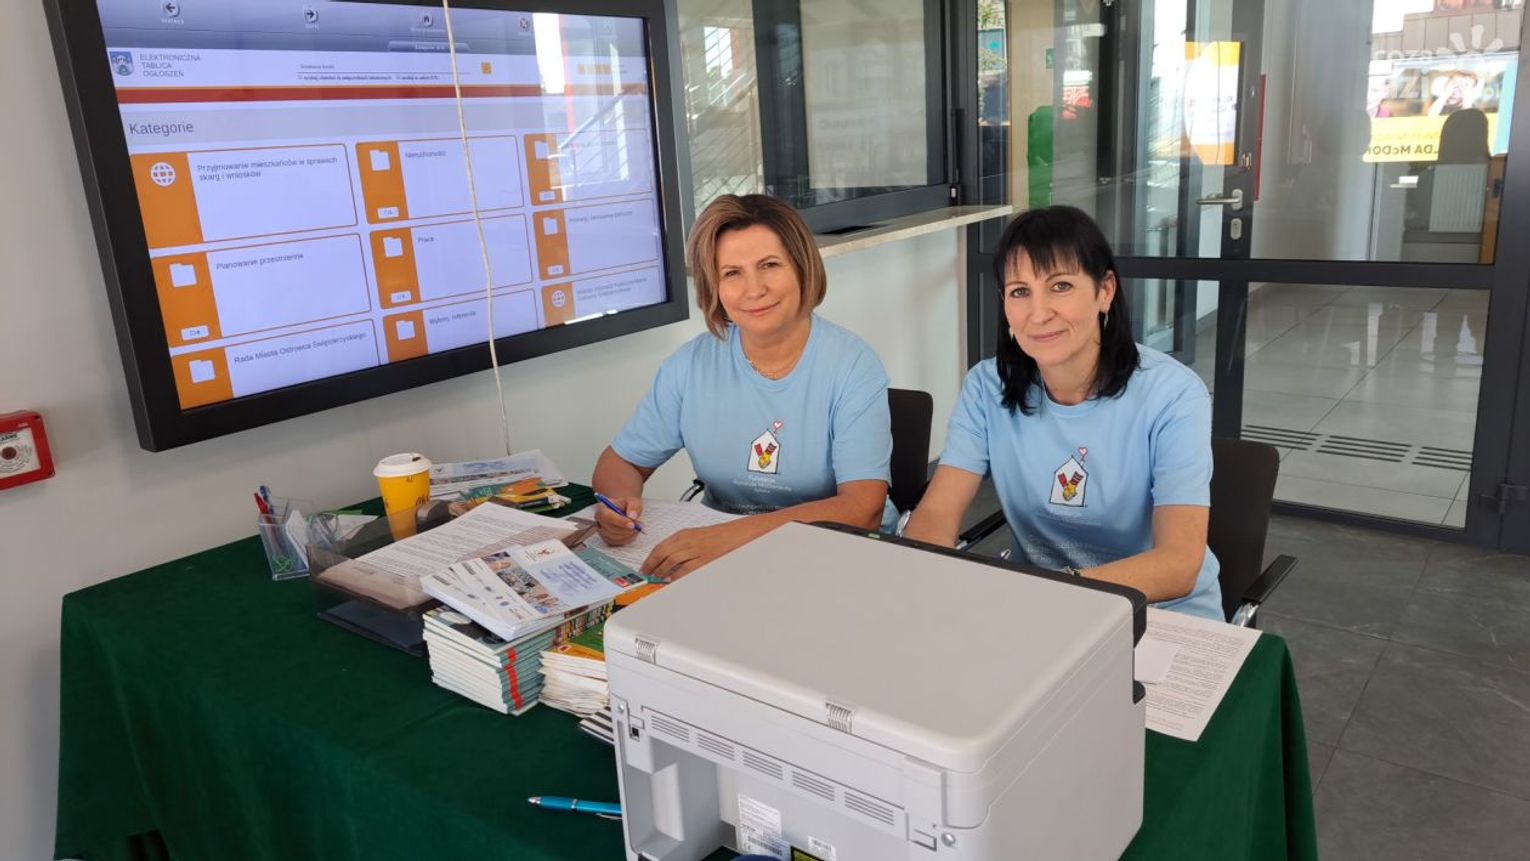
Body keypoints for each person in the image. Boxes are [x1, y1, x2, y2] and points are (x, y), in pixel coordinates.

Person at [904, 205, 1223, 620]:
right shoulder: (987, 387)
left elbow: (1179, 564)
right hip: (1040, 613)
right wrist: (921, 566)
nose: (1038, 314)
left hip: (1160, 614)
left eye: (1060, 286)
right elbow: (937, 513)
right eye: (1020, 292)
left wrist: (1059, 594)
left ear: (1105, 291)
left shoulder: (1173, 394)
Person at [592, 194, 893, 579]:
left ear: (803, 267)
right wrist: (619, 506)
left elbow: (862, 508)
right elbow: (623, 461)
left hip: (834, 558)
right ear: (713, 286)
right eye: (732, 273)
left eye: (769, 265)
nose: (754, 289)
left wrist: (732, 539)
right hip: (719, 557)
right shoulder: (690, 365)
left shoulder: (852, 365)